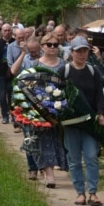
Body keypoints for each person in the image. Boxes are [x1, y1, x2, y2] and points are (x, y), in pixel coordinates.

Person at [58, 36, 104, 206]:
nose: (82, 54)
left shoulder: (93, 71)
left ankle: (93, 192)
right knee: (74, 158)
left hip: (89, 122)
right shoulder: (64, 71)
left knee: (92, 155)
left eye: (85, 50)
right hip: (70, 123)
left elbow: (100, 95)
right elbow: (56, 94)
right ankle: (80, 192)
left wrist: (100, 113)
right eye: (78, 51)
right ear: (72, 52)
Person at [29, 33, 69, 187]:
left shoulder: (63, 65)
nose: (52, 47)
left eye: (55, 44)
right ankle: (49, 173)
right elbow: (27, 85)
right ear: (42, 46)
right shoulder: (35, 64)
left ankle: (52, 167)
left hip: (59, 107)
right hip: (40, 108)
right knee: (43, 139)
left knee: (57, 139)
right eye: (49, 44)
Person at [9, 36, 44, 180]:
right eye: (31, 51)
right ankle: (33, 168)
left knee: (42, 137)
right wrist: (23, 53)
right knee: (28, 136)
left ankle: (43, 166)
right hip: (25, 103)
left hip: (42, 103)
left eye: (36, 51)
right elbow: (13, 71)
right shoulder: (25, 58)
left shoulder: (45, 59)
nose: (34, 53)